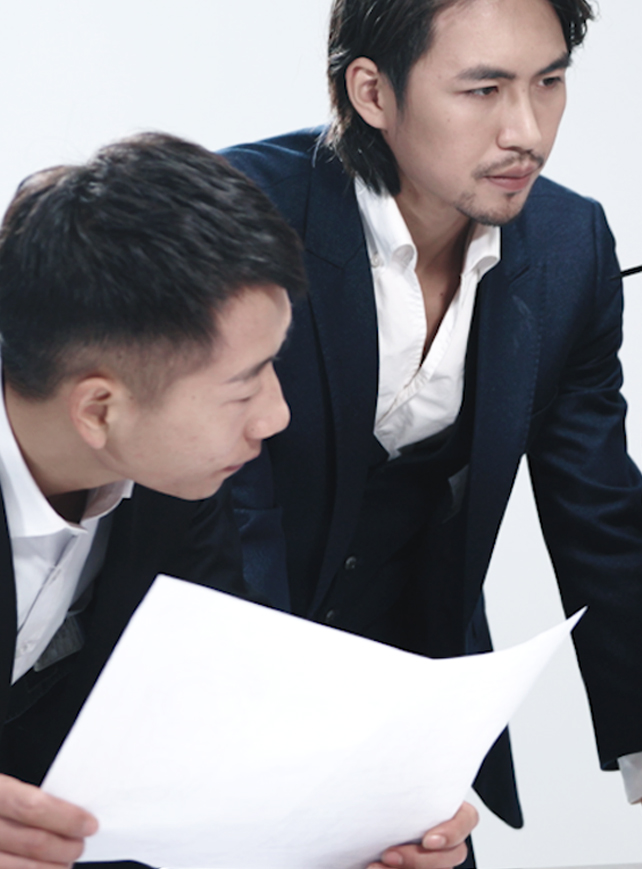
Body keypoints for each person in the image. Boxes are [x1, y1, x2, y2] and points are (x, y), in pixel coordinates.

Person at [225, 0, 642, 864]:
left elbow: (601, 514)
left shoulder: (571, 247)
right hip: (217, 691)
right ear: (373, 92)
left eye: (550, 82)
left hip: (412, 724)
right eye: (483, 89)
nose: (527, 131)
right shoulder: (238, 215)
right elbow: (226, 516)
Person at [0, 131, 473, 869]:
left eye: (273, 366)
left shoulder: (173, 478)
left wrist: (372, 813)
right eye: (242, 385)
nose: (275, 416)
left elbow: (215, 714)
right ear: (99, 409)